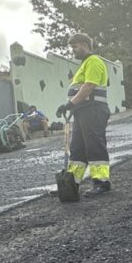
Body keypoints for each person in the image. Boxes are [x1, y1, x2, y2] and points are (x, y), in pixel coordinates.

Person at [56, 33, 112, 196]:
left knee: (94, 145)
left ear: (84, 45)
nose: (73, 51)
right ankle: (71, 183)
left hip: (93, 110)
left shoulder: (94, 61)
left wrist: (70, 103)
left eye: (75, 47)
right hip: (82, 111)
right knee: (77, 148)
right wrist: (71, 106)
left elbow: (89, 86)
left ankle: (102, 182)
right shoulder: (84, 64)